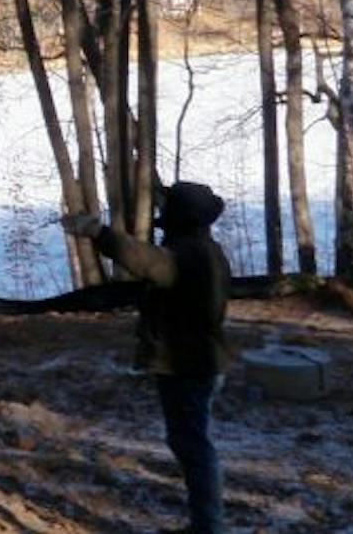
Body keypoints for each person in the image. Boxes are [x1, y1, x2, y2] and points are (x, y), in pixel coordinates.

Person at [64, 182, 233, 534]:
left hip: (187, 365)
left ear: (181, 219)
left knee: (195, 448)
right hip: (199, 362)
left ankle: (208, 527)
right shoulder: (207, 250)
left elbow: (143, 259)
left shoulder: (186, 256)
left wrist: (99, 232)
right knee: (191, 443)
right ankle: (206, 524)